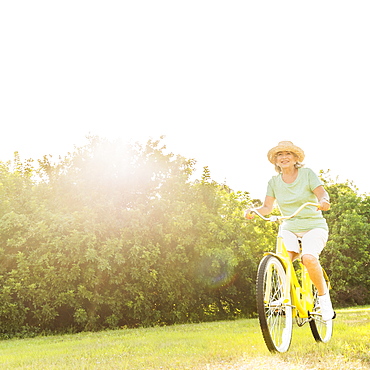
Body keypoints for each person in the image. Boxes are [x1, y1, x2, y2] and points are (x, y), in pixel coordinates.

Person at [245, 141, 335, 321]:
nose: (283, 157)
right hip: (289, 226)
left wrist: (324, 202)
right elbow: (267, 208)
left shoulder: (307, 174)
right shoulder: (273, 182)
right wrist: (253, 211)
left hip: (313, 226)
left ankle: (324, 300)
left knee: (308, 258)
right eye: (279, 155)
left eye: (288, 154)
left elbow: (322, 194)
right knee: (283, 259)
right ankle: (283, 295)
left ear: (295, 158)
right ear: (275, 161)